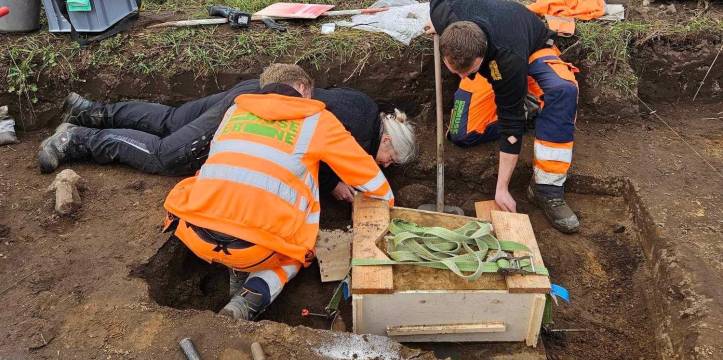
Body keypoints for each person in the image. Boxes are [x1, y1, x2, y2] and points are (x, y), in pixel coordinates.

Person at [162, 63, 394, 321]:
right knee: (295, 252)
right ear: (304, 90)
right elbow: (369, 179)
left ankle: (236, 274)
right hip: (253, 248)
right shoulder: (318, 120)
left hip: (195, 232)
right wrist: (389, 206)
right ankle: (247, 301)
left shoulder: (235, 111)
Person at [37, 81, 416, 202]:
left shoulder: (367, 107)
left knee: (171, 119)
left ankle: (90, 110)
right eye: (389, 158)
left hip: (254, 89)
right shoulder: (358, 129)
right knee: (167, 155)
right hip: (251, 112)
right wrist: (335, 184)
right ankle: (79, 138)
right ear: (386, 137)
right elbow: (319, 149)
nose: (385, 164)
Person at [428, 0, 580, 233]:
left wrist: (502, 187)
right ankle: (529, 107)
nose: (462, 77)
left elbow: (509, 122)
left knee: (563, 90)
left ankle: (548, 190)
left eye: (468, 73)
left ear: (482, 56)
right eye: (455, 71)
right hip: (491, 58)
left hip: (530, 49)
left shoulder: (507, 59)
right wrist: (437, 26)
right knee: (462, 132)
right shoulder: (442, 13)